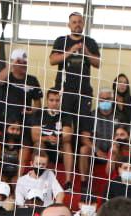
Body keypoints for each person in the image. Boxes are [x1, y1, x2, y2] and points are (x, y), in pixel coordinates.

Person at [50, 11, 101, 140]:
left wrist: (86, 52)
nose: (77, 25)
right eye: (74, 22)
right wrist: (70, 52)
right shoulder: (61, 41)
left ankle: (80, 156)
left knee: (83, 127)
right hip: (64, 90)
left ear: (83, 24)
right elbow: (52, 60)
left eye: (79, 22)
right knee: (65, 126)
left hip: (83, 91)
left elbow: (98, 63)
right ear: (69, 25)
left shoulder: (90, 42)